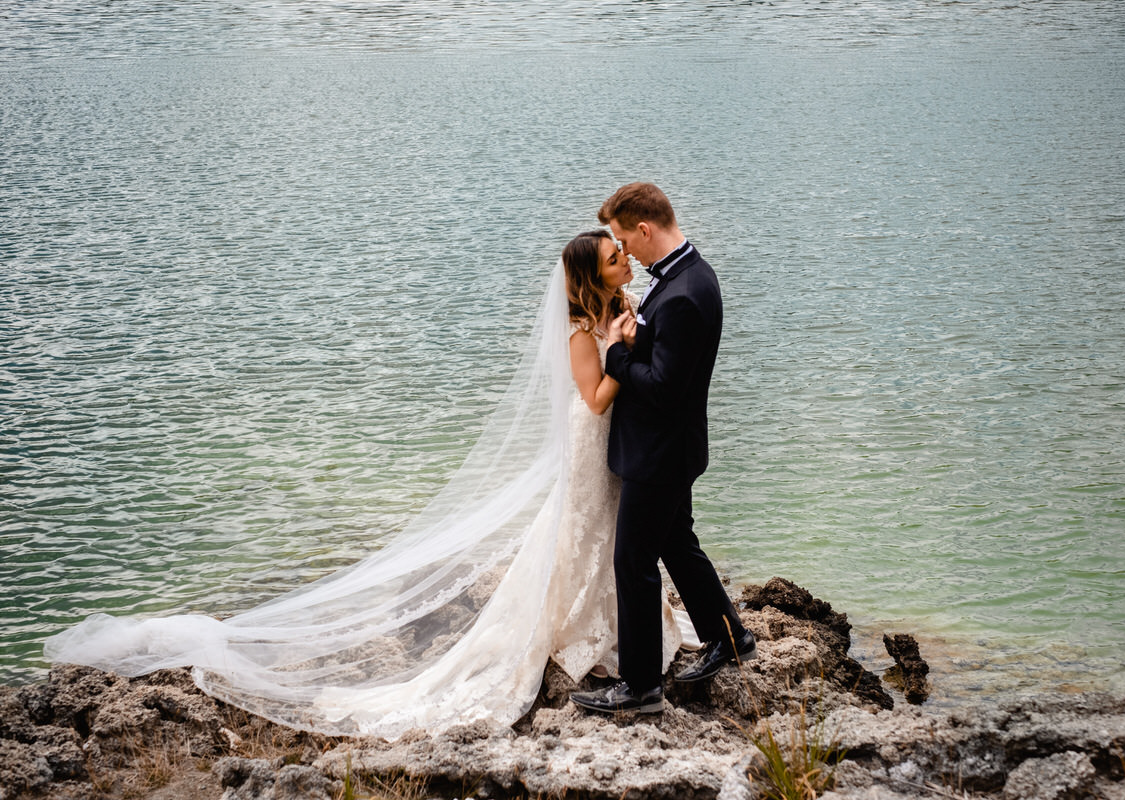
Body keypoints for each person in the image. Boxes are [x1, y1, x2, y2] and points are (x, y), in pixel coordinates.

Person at [44, 226, 693, 738]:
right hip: (592, 446)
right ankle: (589, 641)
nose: (624, 261)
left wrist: (630, 340)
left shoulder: (620, 307)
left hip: (620, 453)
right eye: (614, 258)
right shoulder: (584, 333)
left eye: (621, 252)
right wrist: (622, 352)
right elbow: (598, 400)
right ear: (592, 275)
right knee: (585, 537)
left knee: (611, 541)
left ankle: (621, 639)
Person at [571, 183, 756, 716]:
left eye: (626, 240)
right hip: (668, 447)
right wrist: (635, 343)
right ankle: (730, 636)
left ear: (645, 230)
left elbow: (664, 387)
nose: (624, 252)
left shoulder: (684, 293)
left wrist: (616, 357)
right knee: (677, 544)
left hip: (660, 452)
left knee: (633, 560)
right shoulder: (683, 276)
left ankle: (641, 686)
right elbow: (664, 361)